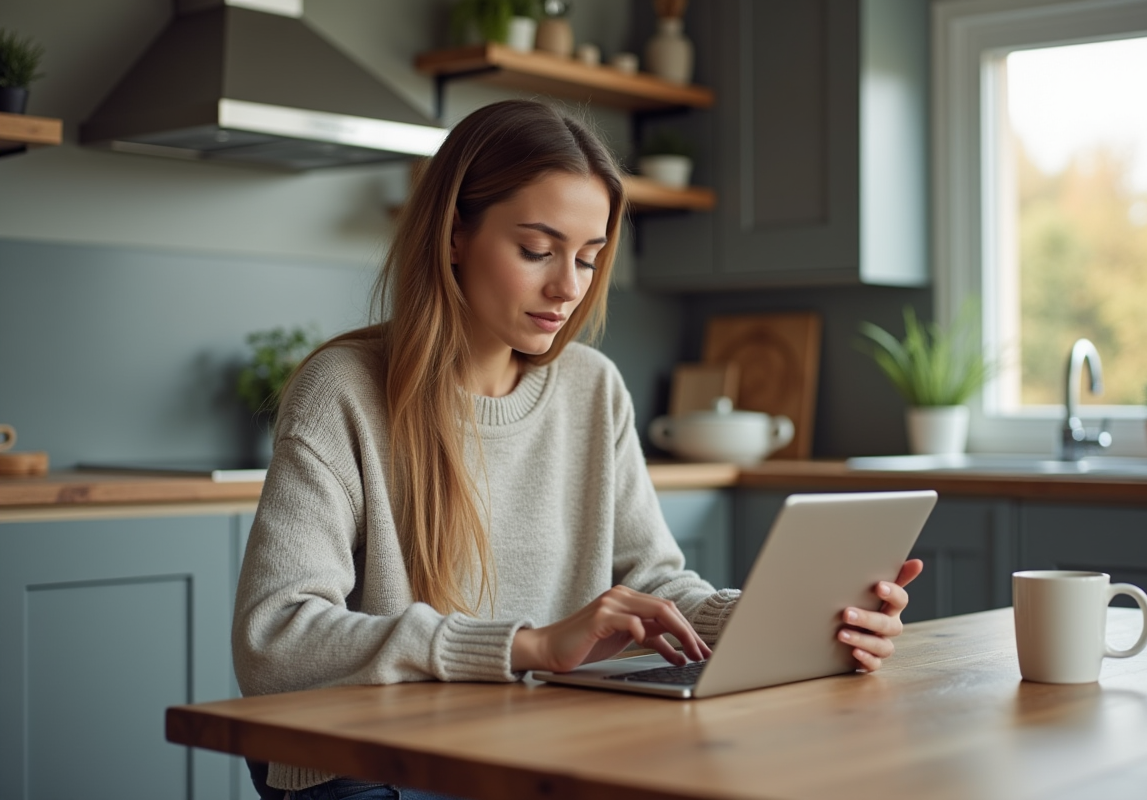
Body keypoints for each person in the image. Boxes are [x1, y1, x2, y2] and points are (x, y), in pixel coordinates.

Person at [232, 99, 923, 800]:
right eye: (537, 251)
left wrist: (785, 622)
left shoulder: (592, 387)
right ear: (453, 237)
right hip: (371, 764)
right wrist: (528, 646)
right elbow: (275, 640)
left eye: (589, 259)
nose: (568, 287)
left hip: (536, 741)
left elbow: (653, 582)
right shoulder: (342, 391)